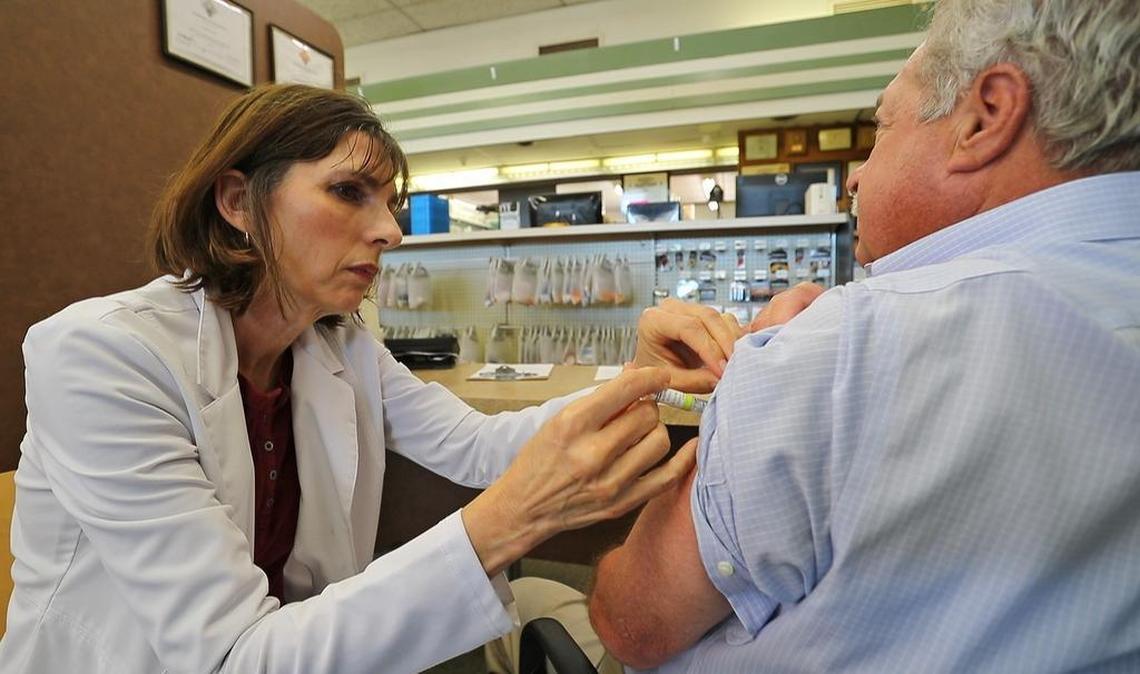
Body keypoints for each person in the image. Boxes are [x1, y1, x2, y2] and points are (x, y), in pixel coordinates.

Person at [0, 84, 740, 674]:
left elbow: (479, 445)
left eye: (387, 200)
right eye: (349, 192)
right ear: (237, 205)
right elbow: (230, 656)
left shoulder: (339, 345)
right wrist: (499, 528)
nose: (389, 229)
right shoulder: (102, 357)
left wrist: (640, 381)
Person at [504, 0, 1140, 671]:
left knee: (537, 596)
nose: (856, 175)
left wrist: (757, 382)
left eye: (882, 128)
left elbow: (633, 622)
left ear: (986, 116)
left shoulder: (842, 349)